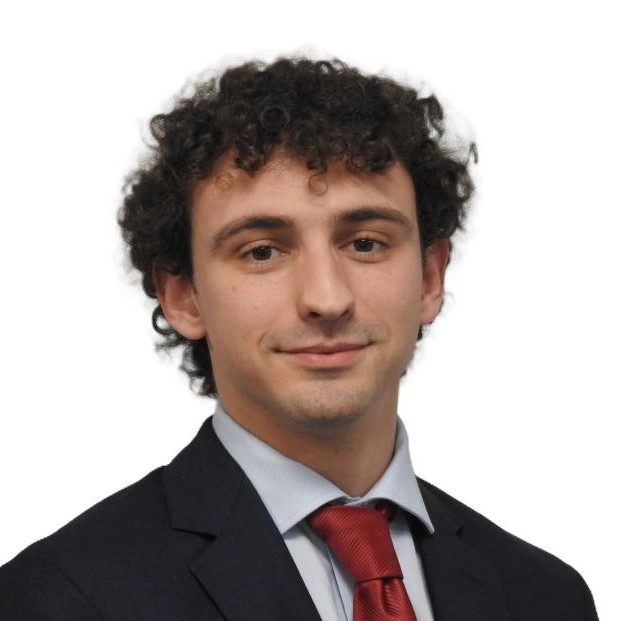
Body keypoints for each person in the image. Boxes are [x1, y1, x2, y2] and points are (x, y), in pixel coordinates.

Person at [0, 57, 598, 621]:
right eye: (262, 251)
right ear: (182, 296)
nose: (327, 298)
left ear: (429, 278)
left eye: (365, 243)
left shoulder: (546, 597)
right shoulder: (58, 598)